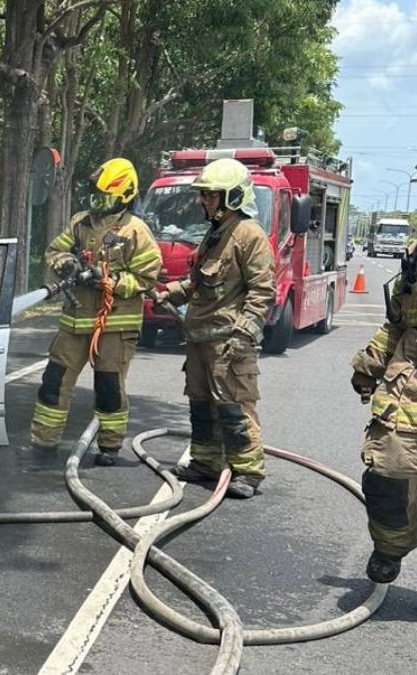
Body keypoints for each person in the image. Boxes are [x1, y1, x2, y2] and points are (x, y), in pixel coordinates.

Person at [156, 158, 275, 499]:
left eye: (211, 195)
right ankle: (205, 462)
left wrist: (243, 335)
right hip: (200, 338)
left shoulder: (249, 235)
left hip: (227, 341)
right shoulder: (214, 235)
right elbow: (198, 283)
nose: (204, 201)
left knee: (234, 407)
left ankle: (248, 471)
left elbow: (263, 291)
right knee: (201, 404)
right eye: (204, 195)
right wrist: (170, 292)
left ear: (233, 197)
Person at [31, 158, 162, 466]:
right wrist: (66, 263)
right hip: (75, 322)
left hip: (115, 324)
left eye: (105, 197)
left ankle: (109, 447)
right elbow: (54, 250)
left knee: (108, 386)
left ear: (124, 196)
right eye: (95, 196)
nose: (97, 203)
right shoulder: (80, 223)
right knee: (54, 381)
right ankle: (43, 444)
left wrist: (107, 280)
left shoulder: (136, 231)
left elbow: (146, 279)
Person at [349, 231, 417, 600]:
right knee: (387, 474)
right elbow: (397, 322)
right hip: (411, 384)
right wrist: (369, 365)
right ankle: (390, 545)